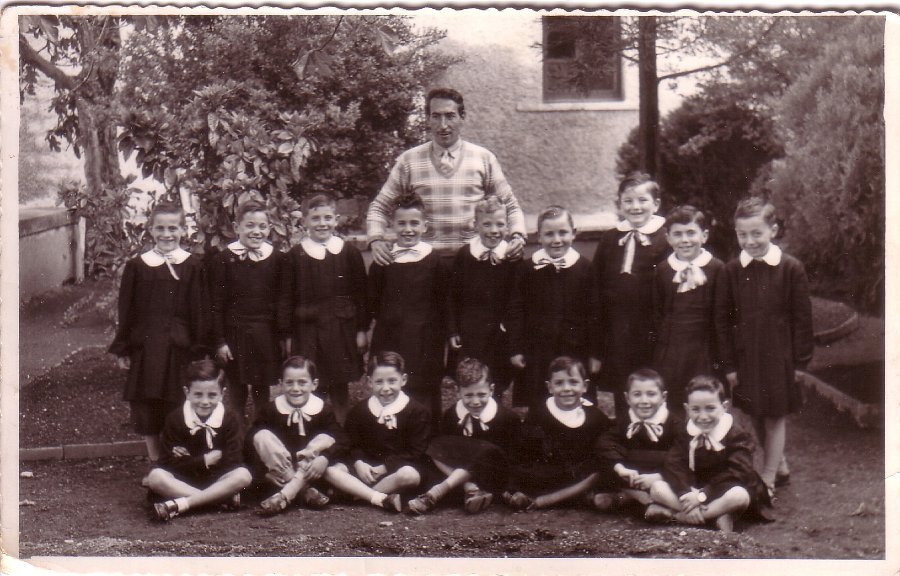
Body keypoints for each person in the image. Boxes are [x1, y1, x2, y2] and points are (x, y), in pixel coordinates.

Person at [714, 197, 813, 495]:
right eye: (742, 234)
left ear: (773, 230)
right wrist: (729, 365)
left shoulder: (791, 268)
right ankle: (778, 462)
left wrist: (800, 363)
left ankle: (767, 478)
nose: (750, 241)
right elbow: (722, 321)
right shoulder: (731, 271)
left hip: (779, 356)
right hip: (746, 356)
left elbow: (802, 319)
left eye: (756, 233)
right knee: (755, 412)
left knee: (774, 415)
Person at [366, 87, 527, 263]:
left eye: (450, 116)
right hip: (426, 261)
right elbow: (380, 207)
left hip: (472, 260)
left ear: (462, 117)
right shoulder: (409, 160)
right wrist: (376, 239)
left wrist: (517, 236)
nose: (443, 125)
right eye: (436, 116)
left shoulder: (483, 158)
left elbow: (510, 205)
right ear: (428, 119)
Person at [109, 202, 206, 470]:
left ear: (183, 230)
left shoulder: (193, 266)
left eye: (173, 228)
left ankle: (179, 461)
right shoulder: (138, 266)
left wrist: (200, 348)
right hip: (147, 346)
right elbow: (127, 309)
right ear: (150, 229)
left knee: (179, 403)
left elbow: (199, 310)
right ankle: (155, 461)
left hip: (179, 347)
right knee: (147, 406)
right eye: (160, 228)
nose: (166, 234)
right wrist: (123, 347)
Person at [281, 194, 369, 422]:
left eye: (327, 218)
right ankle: (312, 427)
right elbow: (286, 299)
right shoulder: (295, 256)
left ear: (336, 219)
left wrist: (361, 330)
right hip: (307, 332)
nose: (322, 223)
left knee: (339, 385)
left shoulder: (348, 253)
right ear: (305, 222)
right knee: (311, 382)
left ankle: (342, 428)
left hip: (340, 329)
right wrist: (287, 336)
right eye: (315, 218)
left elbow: (361, 294)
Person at [647, 375, 772, 533]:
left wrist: (702, 496)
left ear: (724, 407)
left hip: (725, 487)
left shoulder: (737, 434)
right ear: (687, 409)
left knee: (739, 496)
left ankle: (679, 516)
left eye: (710, 408)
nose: (703, 416)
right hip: (694, 489)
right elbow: (674, 464)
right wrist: (686, 493)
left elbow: (738, 472)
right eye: (696, 409)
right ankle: (712, 516)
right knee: (657, 488)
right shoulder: (686, 431)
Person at [593, 172, 670, 420]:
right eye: (628, 201)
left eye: (642, 200)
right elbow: (598, 282)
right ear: (620, 204)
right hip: (619, 328)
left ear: (656, 204)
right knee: (624, 385)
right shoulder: (610, 239)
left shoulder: (665, 238)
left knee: (652, 383)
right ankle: (626, 431)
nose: (635, 207)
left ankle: (655, 431)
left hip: (651, 327)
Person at [507, 205, 600, 408]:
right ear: (539, 237)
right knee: (539, 400)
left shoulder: (585, 268)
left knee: (575, 397)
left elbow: (595, 314)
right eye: (549, 234)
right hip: (538, 351)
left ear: (574, 233)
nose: (556, 240)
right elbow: (516, 311)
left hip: (575, 349)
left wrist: (595, 353)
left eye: (563, 232)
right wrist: (516, 349)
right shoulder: (527, 269)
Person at [367, 192, 448, 424]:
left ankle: (426, 434)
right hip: (390, 336)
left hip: (425, 338)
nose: (408, 229)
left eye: (414, 223)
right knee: (391, 382)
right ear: (392, 225)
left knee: (423, 387)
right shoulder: (383, 262)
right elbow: (372, 302)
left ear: (424, 226)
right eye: (401, 223)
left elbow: (444, 302)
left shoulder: (435, 261)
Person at [407, 358, 522, 515]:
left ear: (491, 389)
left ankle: (436, 493)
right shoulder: (451, 415)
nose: (475, 401)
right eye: (468, 395)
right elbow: (445, 451)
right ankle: (470, 489)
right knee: (434, 446)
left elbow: (512, 459)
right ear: (458, 391)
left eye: (481, 394)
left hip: (493, 474)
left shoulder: (507, 418)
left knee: (487, 452)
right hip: (458, 476)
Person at [208, 200, 289, 418]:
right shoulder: (223, 260)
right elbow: (216, 304)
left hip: (265, 333)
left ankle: (262, 429)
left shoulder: (277, 259)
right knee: (237, 387)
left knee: (262, 387)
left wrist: (282, 336)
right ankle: (237, 432)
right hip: (235, 333)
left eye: (262, 226)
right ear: (237, 228)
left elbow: (282, 300)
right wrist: (220, 341)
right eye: (250, 225)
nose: (256, 231)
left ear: (270, 228)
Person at [146, 359, 252, 521]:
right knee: (155, 477)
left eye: (212, 395)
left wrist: (186, 460)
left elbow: (234, 460)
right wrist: (203, 461)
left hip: (219, 480)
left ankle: (183, 504)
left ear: (222, 394)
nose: (205, 401)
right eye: (198, 394)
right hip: (183, 482)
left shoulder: (230, 419)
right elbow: (166, 462)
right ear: (187, 392)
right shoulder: (175, 419)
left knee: (243, 475)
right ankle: (217, 501)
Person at [323, 351, 429, 512]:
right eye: (379, 382)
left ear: (403, 380)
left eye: (392, 381)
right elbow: (350, 444)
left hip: (395, 471)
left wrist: (385, 467)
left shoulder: (417, 411)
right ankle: (378, 498)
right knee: (332, 470)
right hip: (365, 470)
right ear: (369, 382)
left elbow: (416, 451)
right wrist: (359, 463)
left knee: (409, 475)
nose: (385, 388)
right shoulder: (360, 411)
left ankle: (355, 495)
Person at [502, 357, 611, 511]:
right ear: (550, 387)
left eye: (573, 382)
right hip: (547, 471)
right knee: (522, 472)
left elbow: (605, 446)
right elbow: (525, 448)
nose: (566, 388)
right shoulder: (540, 412)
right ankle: (524, 495)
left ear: (585, 386)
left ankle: (553, 499)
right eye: (559, 383)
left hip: (577, 473)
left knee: (598, 471)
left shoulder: (595, 416)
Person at [246, 356, 346, 515]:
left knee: (325, 438)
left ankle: (287, 494)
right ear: (280, 384)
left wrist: (325, 458)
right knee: (261, 435)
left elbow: (342, 439)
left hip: (312, 472)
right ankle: (304, 491)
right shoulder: (271, 409)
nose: (295, 388)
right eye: (289, 382)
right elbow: (250, 443)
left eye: (302, 382)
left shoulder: (323, 410)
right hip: (279, 474)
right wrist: (264, 473)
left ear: (314, 384)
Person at [651, 205, 724, 411]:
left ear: (704, 236)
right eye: (678, 234)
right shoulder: (663, 270)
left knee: (703, 399)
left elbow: (721, 314)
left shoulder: (717, 268)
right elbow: (657, 313)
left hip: (705, 350)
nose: (685, 240)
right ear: (668, 238)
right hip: (671, 350)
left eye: (691, 233)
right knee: (673, 402)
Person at [447, 195, 519, 398]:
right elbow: (452, 296)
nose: (494, 230)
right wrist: (452, 330)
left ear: (507, 226)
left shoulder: (512, 257)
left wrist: (508, 327)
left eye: (500, 224)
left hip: (498, 333)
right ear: (475, 225)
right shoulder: (465, 255)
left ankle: (495, 412)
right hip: (470, 332)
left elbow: (516, 298)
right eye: (487, 224)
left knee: (496, 378)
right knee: (470, 375)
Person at [593, 368, 681, 515]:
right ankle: (632, 497)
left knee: (673, 474)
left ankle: (644, 502)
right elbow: (606, 442)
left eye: (651, 394)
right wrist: (621, 469)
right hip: (633, 477)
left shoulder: (674, 423)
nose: (644, 401)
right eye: (637, 394)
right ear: (627, 398)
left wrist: (660, 476)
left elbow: (681, 456)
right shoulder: (626, 421)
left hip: (662, 477)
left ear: (663, 397)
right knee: (606, 460)